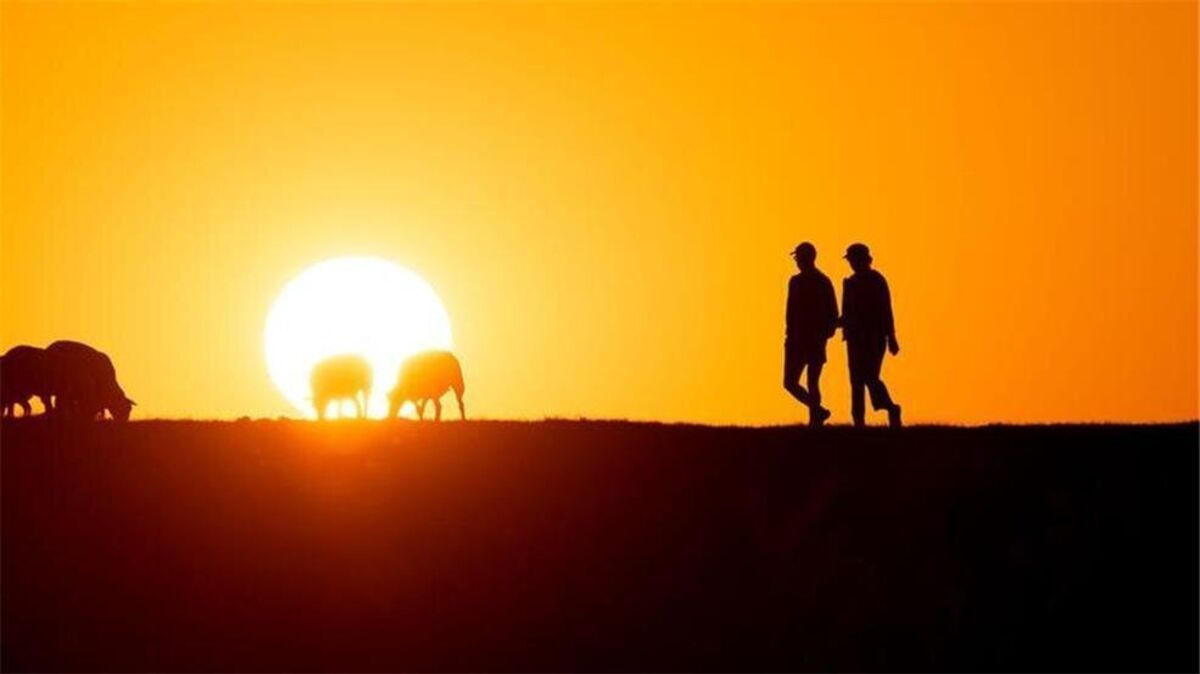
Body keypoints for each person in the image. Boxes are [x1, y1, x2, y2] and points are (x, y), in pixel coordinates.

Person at [840, 243, 902, 427]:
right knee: (856, 381)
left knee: (869, 376)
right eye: (850, 260)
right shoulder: (849, 283)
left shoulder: (877, 280)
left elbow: (886, 310)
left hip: (874, 337)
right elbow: (847, 314)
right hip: (854, 339)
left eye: (853, 259)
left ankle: (891, 408)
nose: (851, 263)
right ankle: (859, 422)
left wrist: (891, 337)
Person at [783, 242, 838, 426]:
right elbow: (790, 312)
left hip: (808, 339)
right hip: (802, 339)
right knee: (795, 382)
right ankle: (818, 412)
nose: (797, 261)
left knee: (807, 381)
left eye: (798, 257)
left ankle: (816, 418)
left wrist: (824, 332)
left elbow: (831, 312)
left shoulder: (816, 282)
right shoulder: (816, 281)